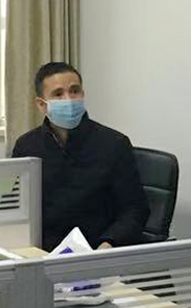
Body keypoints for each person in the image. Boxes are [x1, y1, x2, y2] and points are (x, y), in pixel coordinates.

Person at [12, 62, 150, 251]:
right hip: (44, 251)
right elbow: (15, 208)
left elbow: (135, 209)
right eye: (58, 94)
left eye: (74, 91)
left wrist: (108, 244)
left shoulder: (114, 143)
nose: (69, 99)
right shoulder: (26, 146)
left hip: (98, 248)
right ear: (41, 104)